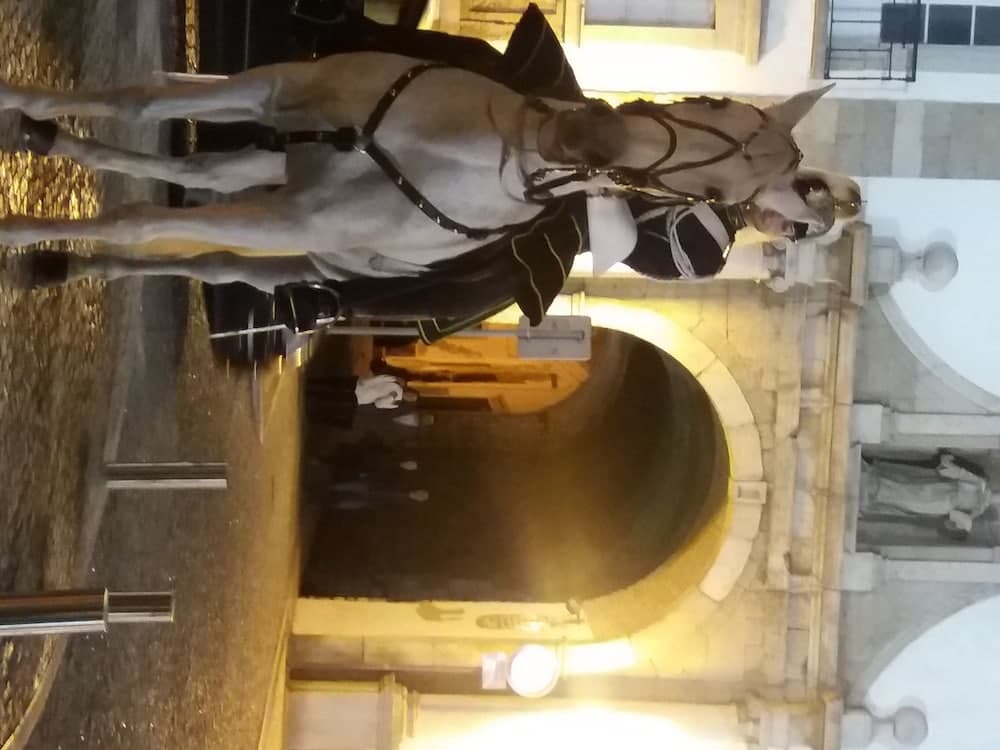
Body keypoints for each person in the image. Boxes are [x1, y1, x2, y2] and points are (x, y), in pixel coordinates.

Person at [270, 5, 861, 344]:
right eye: (798, 201)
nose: (783, 221)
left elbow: (623, 251)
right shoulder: (739, 137)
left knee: (489, 285)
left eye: (794, 230)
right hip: (599, 135)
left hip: (568, 216)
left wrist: (602, 190)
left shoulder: (709, 251)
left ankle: (336, 299)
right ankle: (348, 34)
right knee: (492, 66)